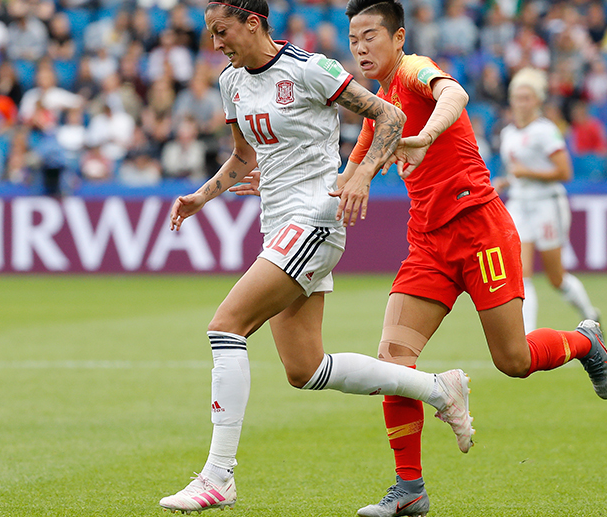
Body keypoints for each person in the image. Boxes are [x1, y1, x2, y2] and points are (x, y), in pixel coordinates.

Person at [158, 1, 474, 514]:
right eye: (211, 35)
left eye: (222, 32)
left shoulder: (311, 70)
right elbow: (244, 157)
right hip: (277, 228)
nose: (216, 44)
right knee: (305, 369)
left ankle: (217, 476)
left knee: (226, 326)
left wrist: (360, 175)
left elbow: (389, 115)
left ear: (253, 23)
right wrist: (202, 195)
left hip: (314, 222)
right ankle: (439, 388)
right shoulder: (231, 82)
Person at [339, 3, 607, 516]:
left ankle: (585, 341)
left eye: (369, 36)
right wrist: (279, 181)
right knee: (393, 362)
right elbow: (349, 174)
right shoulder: (380, 106)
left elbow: (455, 93)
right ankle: (410, 488)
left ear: (398, 38)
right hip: (427, 244)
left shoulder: (415, 70)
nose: (359, 48)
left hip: (481, 232)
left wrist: (425, 135)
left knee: (513, 361)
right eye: (352, 37)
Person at [495, 68, 600, 333]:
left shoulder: (546, 131)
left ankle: (589, 313)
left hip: (547, 204)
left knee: (556, 278)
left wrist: (525, 173)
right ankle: (528, 337)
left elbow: (564, 172)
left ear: (538, 100)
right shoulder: (508, 132)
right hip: (519, 203)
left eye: (527, 97)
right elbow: (517, 171)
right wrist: (506, 181)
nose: (521, 103)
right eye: (517, 97)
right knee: (521, 272)